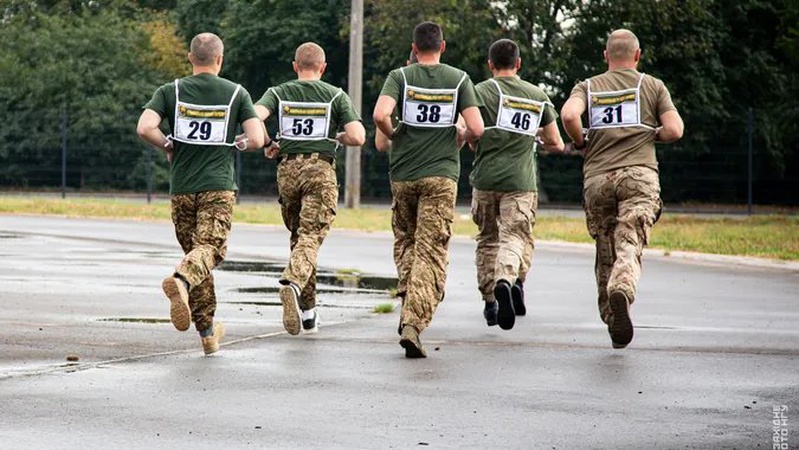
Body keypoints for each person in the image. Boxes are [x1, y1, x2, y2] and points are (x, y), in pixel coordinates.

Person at [136, 32, 265, 355]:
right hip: (217, 186)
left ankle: (207, 333)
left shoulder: (171, 91)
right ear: (220, 59)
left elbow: (144, 127)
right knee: (210, 251)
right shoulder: (236, 93)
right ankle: (180, 279)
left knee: (198, 258)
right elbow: (257, 138)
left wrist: (168, 144)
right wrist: (238, 143)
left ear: (191, 58)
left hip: (181, 188)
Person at [560, 29, 683, 349]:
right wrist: (652, 134)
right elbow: (675, 129)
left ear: (606, 56)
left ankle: (611, 318)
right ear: (638, 55)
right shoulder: (652, 85)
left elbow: (569, 114)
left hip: (598, 178)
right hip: (639, 175)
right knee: (630, 240)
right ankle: (622, 289)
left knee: (605, 247)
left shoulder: (588, 86)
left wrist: (580, 141)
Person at [373, 21, 484, 358]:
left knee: (406, 241)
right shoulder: (459, 79)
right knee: (431, 249)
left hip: (403, 175)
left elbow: (380, 115)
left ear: (414, 47)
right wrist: (462, 135)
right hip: (441, 175)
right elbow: (477, 127)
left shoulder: (399, 77)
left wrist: (395, 134)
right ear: (443, 46)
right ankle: (414, 321)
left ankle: (410, 295)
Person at [254, 42, 365, 336]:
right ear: (323, 67)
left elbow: (253, 116)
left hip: (288, 170)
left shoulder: (278, 92)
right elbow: (358, 136)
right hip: (320, 169)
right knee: (311, 237)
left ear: (295, 66)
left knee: (300, 240)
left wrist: (268, 142)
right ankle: (292, 281)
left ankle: (308, 313)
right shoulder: (335, 95)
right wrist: (336, 137)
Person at [470, 39, 564, 331]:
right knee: (515, 236)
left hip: (485, 179)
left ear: (490, 64)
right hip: (521, 182)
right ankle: (507, 280)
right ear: (519, 63)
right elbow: (557, 142)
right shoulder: (537, 95)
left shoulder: (478, 91)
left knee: (487, 238)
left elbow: (471, 133)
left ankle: (490, 302)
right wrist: (535, 136)